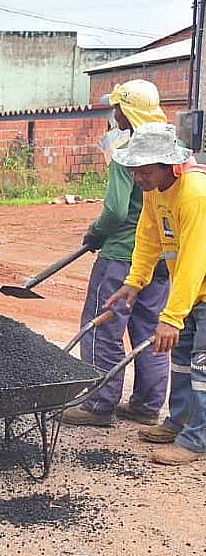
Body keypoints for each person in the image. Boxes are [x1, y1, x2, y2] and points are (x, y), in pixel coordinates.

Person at [60, 80, 170, 427]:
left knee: (102, 328)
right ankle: (147, 406)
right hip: (162, 258)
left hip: (122, 255)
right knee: (151, 330)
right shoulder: (171, 145)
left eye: (117, 107)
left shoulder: (127, 149)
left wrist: (95, 233)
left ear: (128, 109)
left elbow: (116, 211)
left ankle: (99, 404)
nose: (114, 114)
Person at [104, 123, 206, 465]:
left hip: (200, 289)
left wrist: (171, 317)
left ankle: (196, 441)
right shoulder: (155, 191)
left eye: (145, 172)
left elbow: (194, 260)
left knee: (203, 370)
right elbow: (148, 239)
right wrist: (133, 283)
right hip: (192, 293)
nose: (138, 179)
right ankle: (180, 421)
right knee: (180, 362)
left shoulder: (195, 195)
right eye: (135, 172)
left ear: (169, 166)